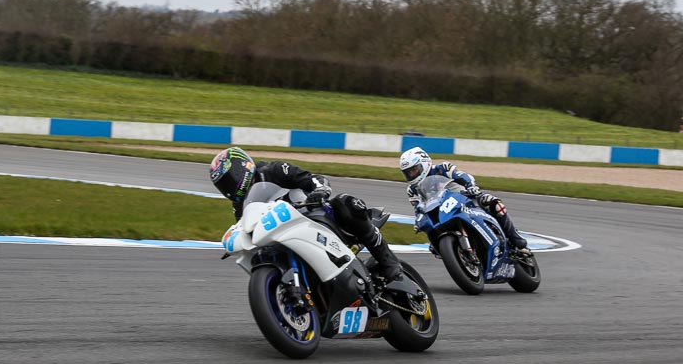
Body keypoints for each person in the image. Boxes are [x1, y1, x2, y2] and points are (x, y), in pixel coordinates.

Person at [209, 146, 403, 283]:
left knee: (345, 203)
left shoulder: (274, 170)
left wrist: (319, 191)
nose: (231, 186)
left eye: (231, 178)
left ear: (243, 167)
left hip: (312, 215)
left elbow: (313, 179)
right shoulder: (239, 205)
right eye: (224, 185)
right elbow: (246, 226)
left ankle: (388, 261)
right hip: (284, 237)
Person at [399, 146, 530, 253]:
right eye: (408, 172)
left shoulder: (442, 168)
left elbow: (464, 176)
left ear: (424, 163)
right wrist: (418, 220)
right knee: (432, 244)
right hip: (440, 212)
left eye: (414, 170)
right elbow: (418, 209)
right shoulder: (412, 190)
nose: (411, 175)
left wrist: (471, 187)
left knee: (494, 204)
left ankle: (517, 240)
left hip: (466, 199)